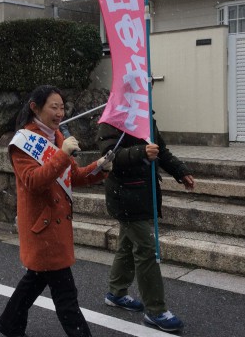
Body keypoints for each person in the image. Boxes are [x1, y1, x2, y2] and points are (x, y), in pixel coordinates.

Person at [0, 85, 113, 337]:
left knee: (35, 281)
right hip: (43, 229)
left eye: (62, 107)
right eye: (54, 107)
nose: (60, 113)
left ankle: (9, 323)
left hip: (56, 227)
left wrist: (100, 167)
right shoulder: (22, 143)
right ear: (35, 108)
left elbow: (75, 176)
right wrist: (61, 155)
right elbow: (33, 181)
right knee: (66, 295)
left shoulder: (58, 138)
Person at [97, 115, 195, 333]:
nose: (146, 84)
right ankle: (155, 310)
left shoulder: (145, 113)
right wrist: (141, 152)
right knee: (147, 249)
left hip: (143, 194)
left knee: (127, 245)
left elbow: (160, 151)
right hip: (125, 196)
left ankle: (116, 292)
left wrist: (181, 171)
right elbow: (108, 157)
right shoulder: (113, 118)